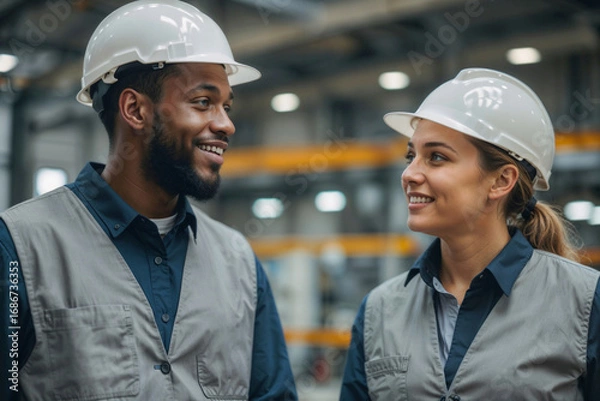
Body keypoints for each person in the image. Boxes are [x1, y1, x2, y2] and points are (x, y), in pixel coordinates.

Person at [0, 1, 297, 400]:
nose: (226, 123)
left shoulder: (239, 262)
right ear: (135, 110)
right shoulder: (20, 248)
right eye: (203, 102)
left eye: (226, 106)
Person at [340, 68, 600, 400]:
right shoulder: (379, 310)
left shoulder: (585, 302)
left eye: (436, 157)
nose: (409, 173)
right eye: (411, 155)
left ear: (501, 181)